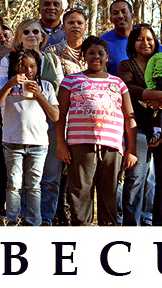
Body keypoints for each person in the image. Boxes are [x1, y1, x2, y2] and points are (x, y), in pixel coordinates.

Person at [55, 37, 134, 226]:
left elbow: (130, 117)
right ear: (84, 56)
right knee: (80, 190)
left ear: (108, 57)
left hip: (112, 146)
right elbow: (61, 113)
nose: (96, 57)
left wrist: (131, 149)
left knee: (110, 191)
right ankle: (82, 228)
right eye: (91, 53)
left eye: (100, 53)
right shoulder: (71, 80)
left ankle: (108, 229)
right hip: (80, 145)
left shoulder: (118, 83)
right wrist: (60, 143)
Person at [0, 49, 59, 225]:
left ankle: (33, 222)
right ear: (15, 67)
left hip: (38, 144)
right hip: (13, 141)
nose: (28, 71)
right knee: (14, 185)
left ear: (38, 67)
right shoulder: (6, 82)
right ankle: (12, 221)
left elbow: (55, 115)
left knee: (33, 186)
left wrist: (38, 95)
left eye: (33, 66)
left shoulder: (45, 86)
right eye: (23, 67)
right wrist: (9, 85)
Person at [115, 23, 162, 226]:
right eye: (140, 39)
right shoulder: (126, 65)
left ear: (156, 42)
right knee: (135, 178)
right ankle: (132, 226)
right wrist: (161, 95)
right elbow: (128, 89)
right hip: (136, 127)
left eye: (149, 39)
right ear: (133, 43)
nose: (145, 43)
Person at [99, 0, 136, 74]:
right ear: (111, 19)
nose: (120, 16)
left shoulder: (146, 40)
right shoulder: (102, 42)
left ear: (132, 16)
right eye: (115, 13)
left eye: (124, 12)